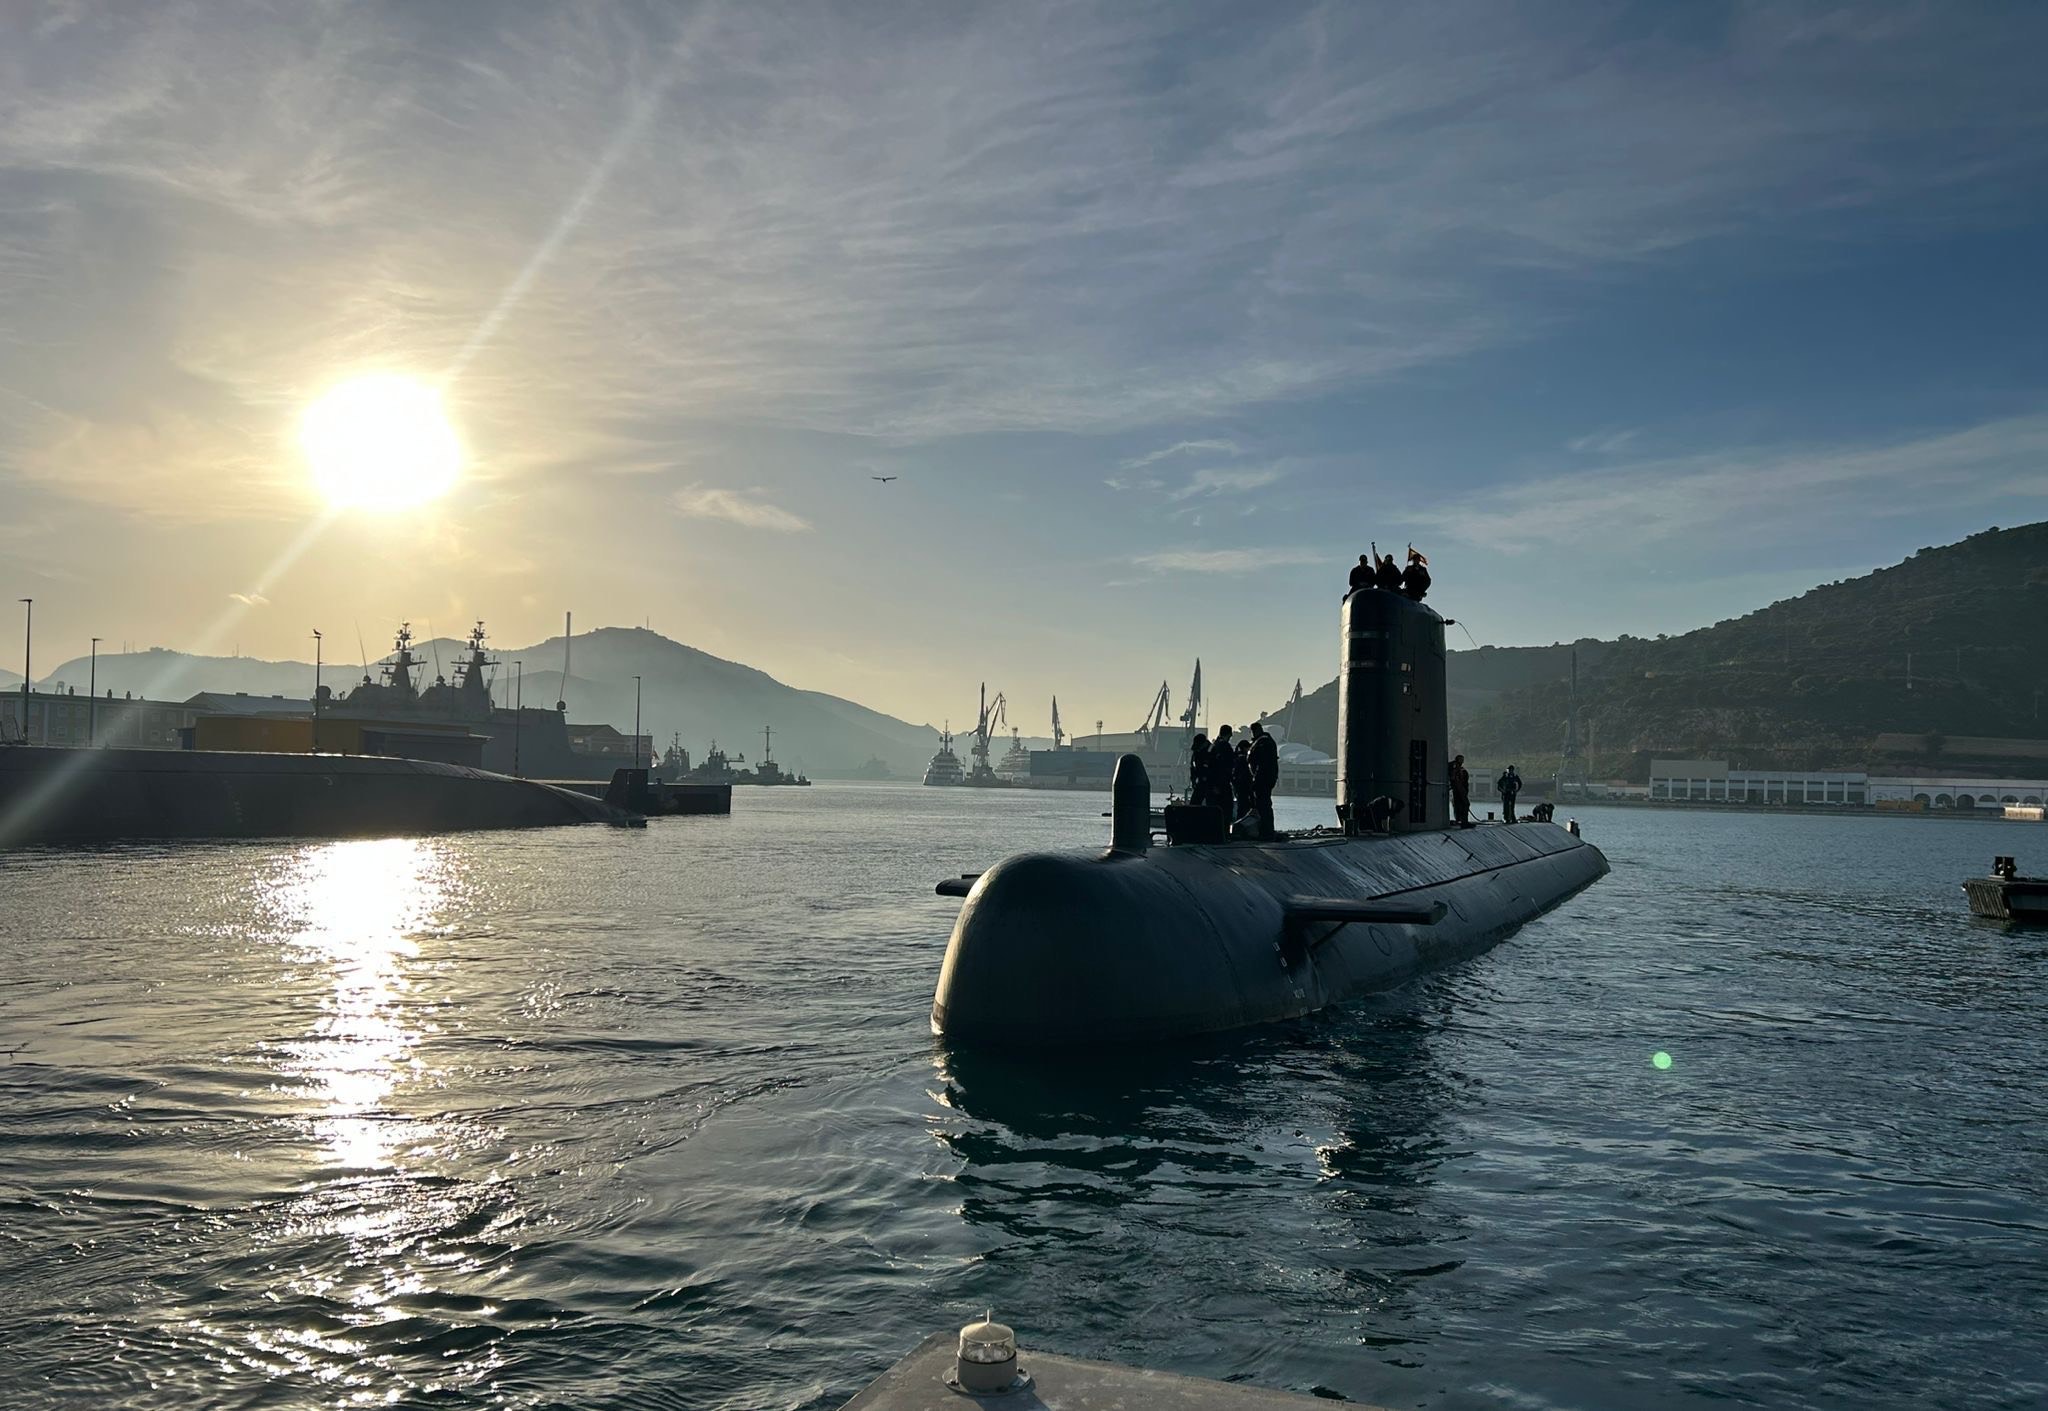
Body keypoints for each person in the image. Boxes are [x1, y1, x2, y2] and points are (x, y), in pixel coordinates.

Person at [1248, 720, 1279, 839]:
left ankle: (1266, 831)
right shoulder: (1267, 741)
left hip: (1262, 779)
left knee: (1263, 805)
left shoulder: (1262, 743)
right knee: (1264, 804)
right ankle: (1266, 830)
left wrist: (1256, 778)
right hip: (1266, 778)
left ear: (1254, 731)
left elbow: (1261, 763)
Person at [1207, 725, 1235, 811]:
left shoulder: (1212, 746)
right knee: (1226, 808)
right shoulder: (1225, 746)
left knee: (1214, 809)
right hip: (1222, 782)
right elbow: (1230, 763)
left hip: (1212, 783)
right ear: (1228, 734)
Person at [1231, 738, 1256, 829]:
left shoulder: (1236, 758)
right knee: (1244, 807)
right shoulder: (1243, 759)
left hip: (1239, 787)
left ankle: (1238, 826)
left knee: (1241, 807)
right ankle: (1242, 827)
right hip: (1244, 786)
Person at [1187, 732, 1211, 807]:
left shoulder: (1211, 752)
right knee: (1194, 804)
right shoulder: (1197, 753)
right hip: (1200, 782)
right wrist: (1193, 780)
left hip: (1209, 782)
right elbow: (1193, 767)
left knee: (1210, 804)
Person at [1450, 753, 1472, 828]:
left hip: (1461, 790)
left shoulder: (1460, 769)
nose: (1463, 761)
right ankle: (1463, 822)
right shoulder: (1455, 769)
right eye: (1461, 759)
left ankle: (1462, 821)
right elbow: (1454, 779)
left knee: (1462, 805)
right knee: (1465, 804)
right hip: (1459, 790)